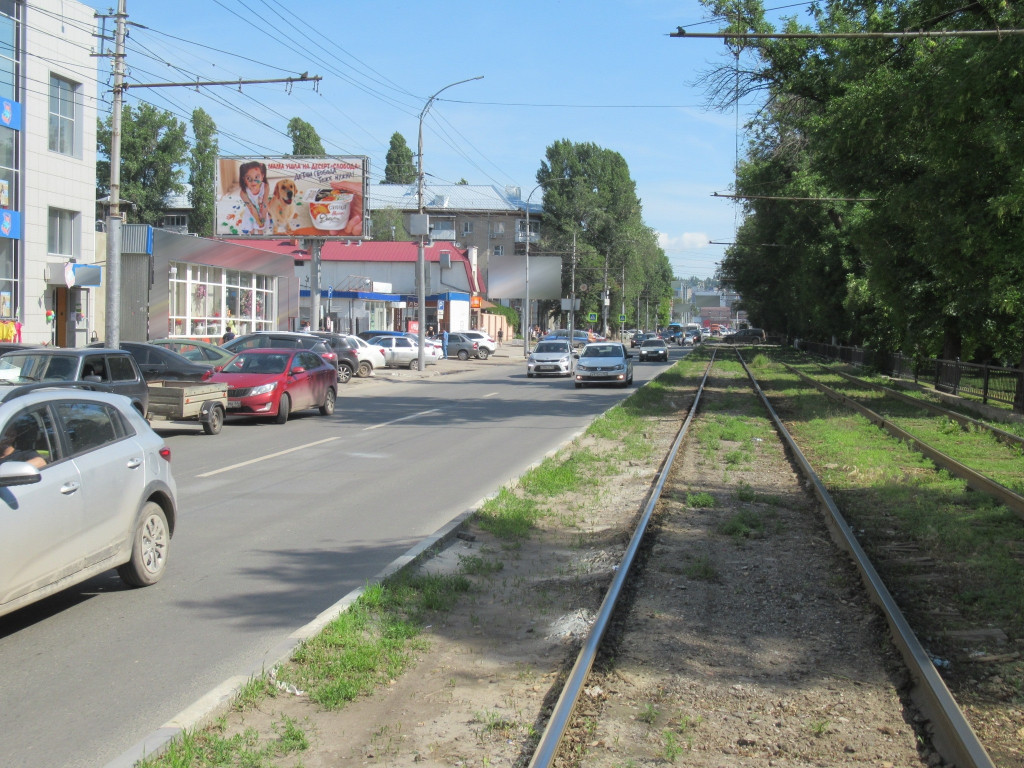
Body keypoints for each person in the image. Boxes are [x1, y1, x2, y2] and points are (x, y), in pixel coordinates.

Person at [238, 160, 270, 234]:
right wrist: (258, 220)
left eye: (257, 177)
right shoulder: (243, 193)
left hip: (262, 211)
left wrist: (262, 219)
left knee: (260, 229)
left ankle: (261, 242)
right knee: (251, 229)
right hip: (251, 212)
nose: (253, 181)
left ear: (262, 176)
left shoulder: (265, 187)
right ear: (244, 179)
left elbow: (265, 203)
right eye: (249, 178)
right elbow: (251, 208)